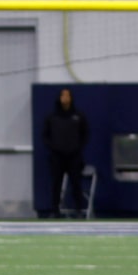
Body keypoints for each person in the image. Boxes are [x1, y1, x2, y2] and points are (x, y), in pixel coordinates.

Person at [44, 87, 92, 216]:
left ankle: (79, 210)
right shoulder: (52, 117)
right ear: (59, 98)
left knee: (76, 183)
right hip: (57, 157)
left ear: (71, 98)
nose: (65, 98)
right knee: (56, 184)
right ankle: (55, 210)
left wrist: (77, 147)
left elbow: (85, 133)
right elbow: (45, 135)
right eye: (62, 96)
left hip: (74, 156)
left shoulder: (78, 116)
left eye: (67, 95)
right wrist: (54, 147)